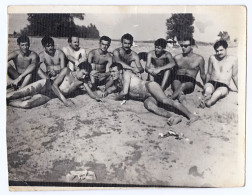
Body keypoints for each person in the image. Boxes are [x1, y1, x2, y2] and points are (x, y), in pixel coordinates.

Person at [102, 63, 199, 125]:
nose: (111, 74)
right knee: (149, 106)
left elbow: (124, 92)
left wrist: (114, 98)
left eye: (114, 71)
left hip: (149, 86)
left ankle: (191, 115)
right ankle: (173, 117)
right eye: (110, 72)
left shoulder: (126, 74)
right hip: (146, 96)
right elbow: (113, 88)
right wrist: (107, 92)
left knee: (165, 100)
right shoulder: (118, 82)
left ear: (120, 71)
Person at [7, 62, 102, 109]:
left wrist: (97, 98)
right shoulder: (66, 71)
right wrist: (65, 101)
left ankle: (7, 103)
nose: (84, 76)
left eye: (86, 74)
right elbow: (54, 86)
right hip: (45, 84)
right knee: (16, 94)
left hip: (50, 95)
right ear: (77, 69)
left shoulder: (83, 81)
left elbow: (90, 93)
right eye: (83, 73)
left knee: (27, 105)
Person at [200, 40, 238, 108]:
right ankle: (205, 98)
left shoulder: (233, 59)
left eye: (221, 50)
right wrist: (205, 84)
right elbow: (209, 73)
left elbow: (234, 76)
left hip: (223, 85)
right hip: (212, 82)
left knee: (217, 94)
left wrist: (239, 89)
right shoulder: (212, 58)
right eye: (217, 51)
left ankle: (209, 102)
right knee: (208, 90)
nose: (219, 53)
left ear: (226, 48)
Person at [172, 37, 206, 102]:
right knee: (177, 85)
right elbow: (172, 71)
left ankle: (170, 99)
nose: (183, 48)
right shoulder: (177, 57)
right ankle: (180, 96)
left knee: (183, 85)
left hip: (190, 81)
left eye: (185, 46)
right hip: (178, 78)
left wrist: (205, 86)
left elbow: (202, 74)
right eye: (181, 46)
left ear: (192, 46)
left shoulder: (199, 59)